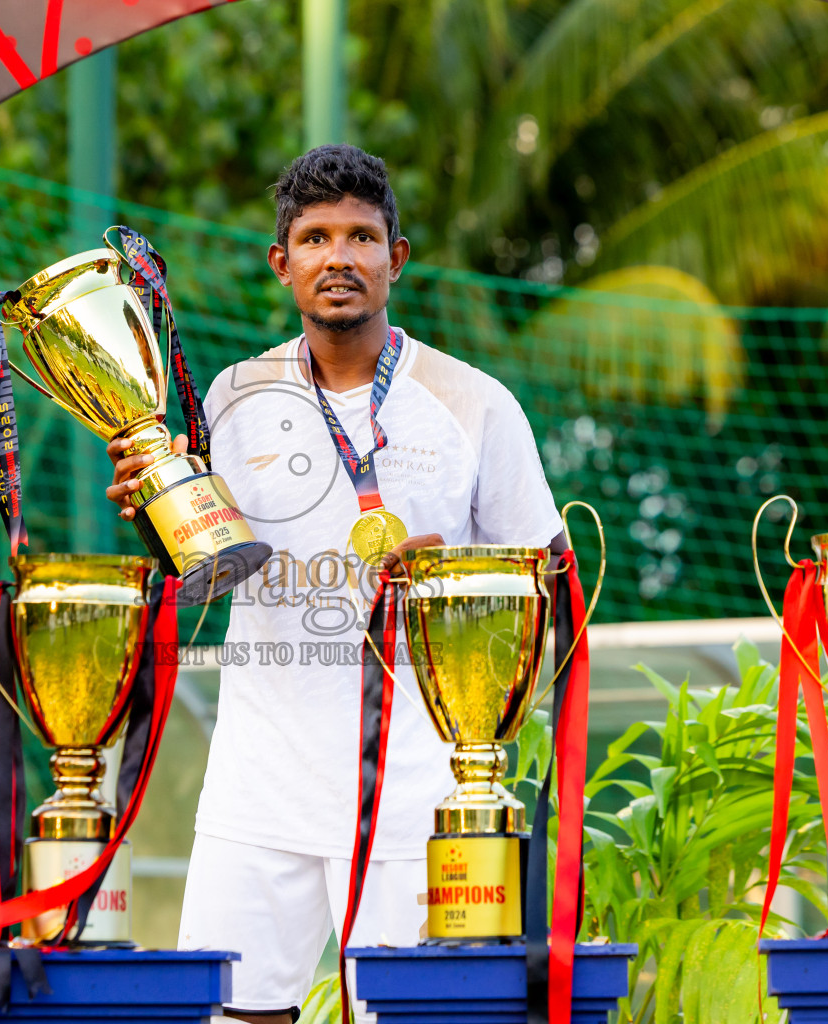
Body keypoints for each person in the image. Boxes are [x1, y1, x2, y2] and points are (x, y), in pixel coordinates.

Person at [106, 144, 566, 1023]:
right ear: (283, 265)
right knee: (239, 1015)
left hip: (426, 790)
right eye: (315, 238)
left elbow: (554, 589)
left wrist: (451, 581)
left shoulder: (474, 403)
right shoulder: (234, 400)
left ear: (397, 258)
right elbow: (203, 576)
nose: (339, 257)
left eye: (361, 236)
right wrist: (157, 510)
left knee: (414, 1014)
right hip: (259, 780)